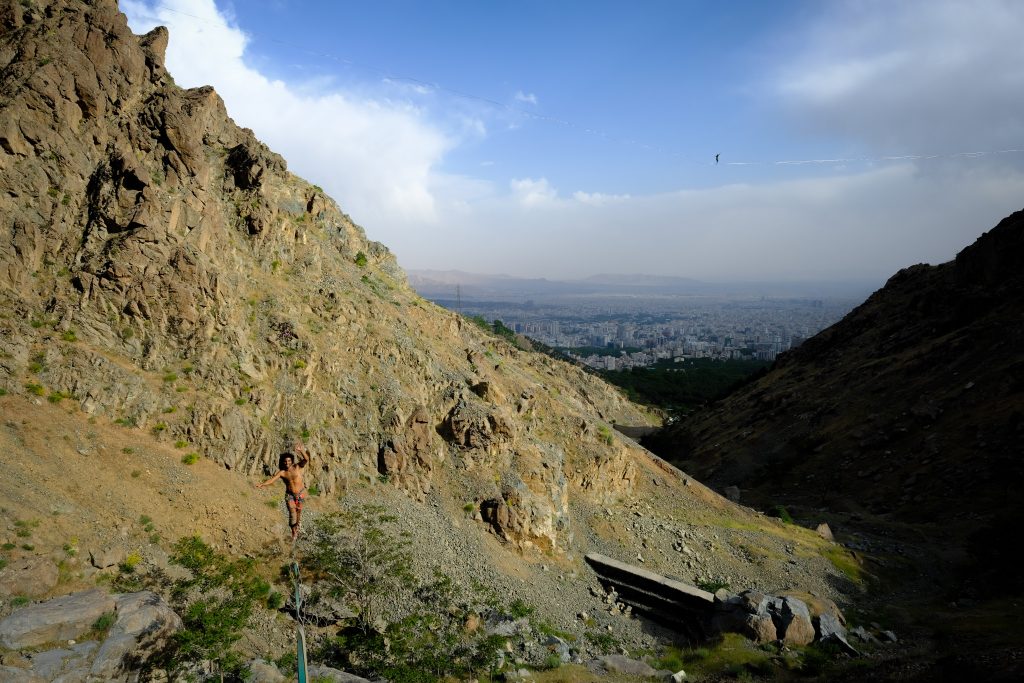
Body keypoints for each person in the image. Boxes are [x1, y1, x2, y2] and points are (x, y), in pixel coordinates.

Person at [256, 441, 312, 541]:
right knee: (292, 512)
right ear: (283, 462)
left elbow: (306, 459)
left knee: (299, 511)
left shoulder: (297, 467)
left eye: (289, 461)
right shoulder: (282, 472)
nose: (287, 463)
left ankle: (297, 526)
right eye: (285, 461)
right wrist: (262, 484)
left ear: (292, 461)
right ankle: (293, 530)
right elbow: (272, 479)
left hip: (300, 493)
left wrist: (302, 451)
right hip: (289, 494)